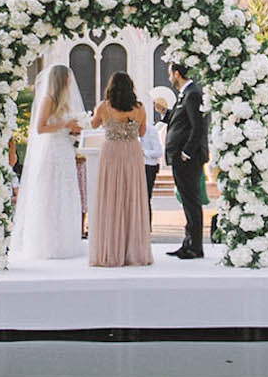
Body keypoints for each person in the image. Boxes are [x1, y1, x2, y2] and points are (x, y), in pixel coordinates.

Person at [11, 66, 84, 262]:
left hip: (65, 151)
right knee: (49, 194)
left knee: (65, 193)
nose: (71, 82)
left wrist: (74, 131)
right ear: (61, 80)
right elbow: (40, 128)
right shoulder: (48, 99)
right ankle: (47, 242)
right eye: (68, 78)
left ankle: (65, 241)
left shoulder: (65, 102)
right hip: (51, 152)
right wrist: (65, 125)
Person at [88, 72, 153, 268]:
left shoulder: (104, 106)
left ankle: (111, 250)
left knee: (111, 198)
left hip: (112, 153)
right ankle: (132, 251)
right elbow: (142, 132)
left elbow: (93, 124)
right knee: (132, 197)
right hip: (132, 152)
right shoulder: (139, 108)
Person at [165, 63, 209, 259]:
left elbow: (197, 126)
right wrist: (165, 113)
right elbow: (179, 121)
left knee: (191, 200)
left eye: (170, 74)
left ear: (176, 74)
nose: (169, 79)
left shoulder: (193, 93)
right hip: (180, 157)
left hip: (187, 159)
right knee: (186, 200)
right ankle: (188, 242)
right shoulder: (184, 94)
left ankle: (195, 247)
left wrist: (186, 152)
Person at [141, 92, 169, 199]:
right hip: (137, 166)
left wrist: (144, 152)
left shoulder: (151, 129)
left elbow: (158, 151)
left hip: (149, 166)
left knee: (146, 197)